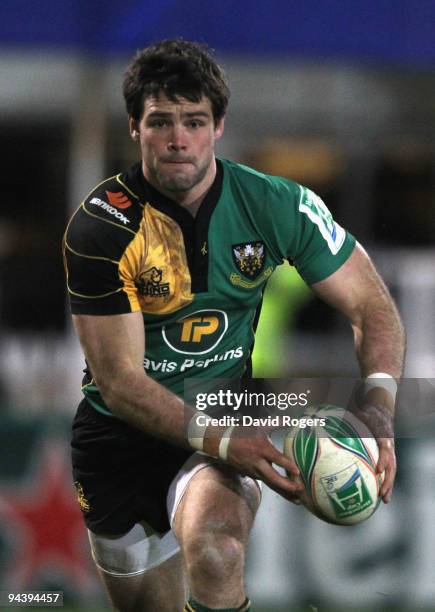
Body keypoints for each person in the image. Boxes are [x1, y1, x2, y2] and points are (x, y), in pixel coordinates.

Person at [63, 39, 405, 612]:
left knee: (218, 551)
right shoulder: (102, 226)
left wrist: (379, 404)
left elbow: (373, 307)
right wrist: (226, 440)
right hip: (116, 439)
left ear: (218, 126)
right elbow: (121, 383)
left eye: (194, 121)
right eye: (161, 122)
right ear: (134, 127)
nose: (178, 140)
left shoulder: (276, 205)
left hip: (223, 413)